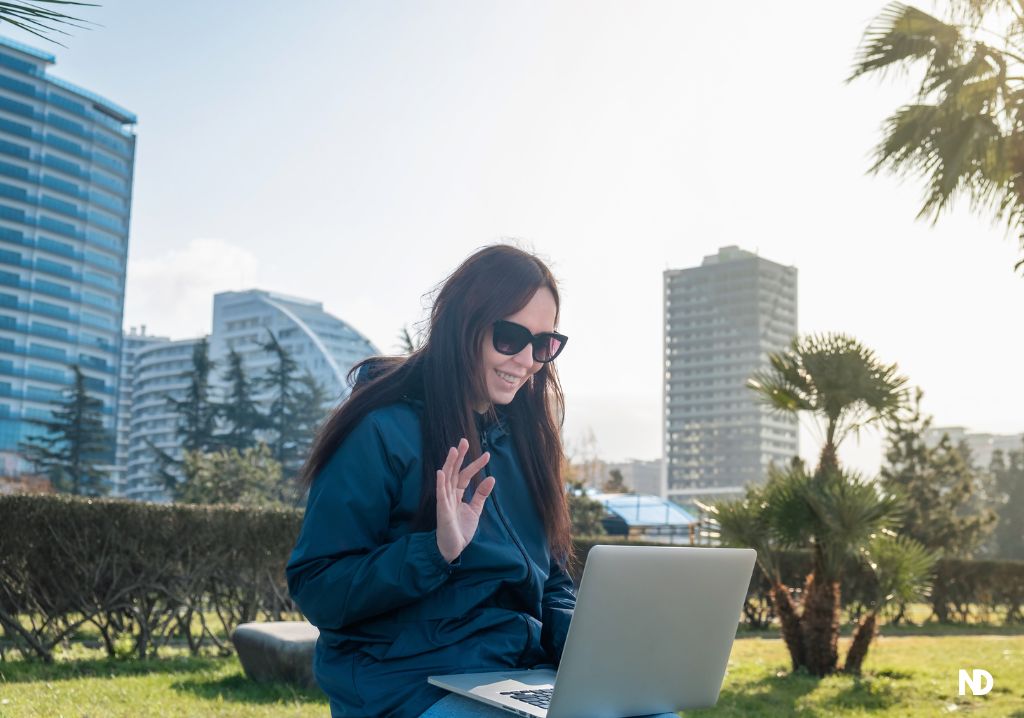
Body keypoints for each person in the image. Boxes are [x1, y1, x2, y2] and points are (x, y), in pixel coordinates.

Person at [287, 245, 676, 718]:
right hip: (407, 685)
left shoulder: (526, 439)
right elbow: (318, 586)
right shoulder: (381, 430)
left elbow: (550, 580)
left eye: (544, 343)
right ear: (463, 325)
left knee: (653, 714)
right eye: (510, 337)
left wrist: (591, 649)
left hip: (512, 676)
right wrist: (436, 552)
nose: (527, 360)